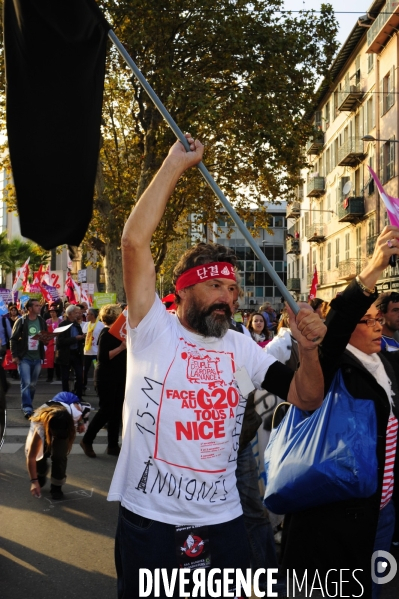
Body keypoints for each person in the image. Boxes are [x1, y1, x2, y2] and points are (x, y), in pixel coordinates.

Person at [108, 133, 326, 597]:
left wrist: (308, 350)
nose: (227, 298)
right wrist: (173, 165)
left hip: (222, 520)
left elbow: (307, 397)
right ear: (183, 290)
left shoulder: (240, 345)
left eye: (231, 289)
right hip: (152, 519)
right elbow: (132, 241)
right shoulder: (153, 329)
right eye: (214, 287)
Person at [281, 226, 399, 599]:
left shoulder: (389, 361)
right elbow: (333, 333)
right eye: (367, 320)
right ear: (348, 329)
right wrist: (374, 267)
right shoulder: (334, 366)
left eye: (379, 318)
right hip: (337, 516)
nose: (378, 324)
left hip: (382, 514)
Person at [80, 304, 126, 457]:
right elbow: (103, 357)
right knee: (106, 411)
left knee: (116, 412)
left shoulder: (119, 333)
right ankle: (87, 440)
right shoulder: (107, 333)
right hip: (106, 377)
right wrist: (121, 348)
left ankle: (113, 446)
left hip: (119, 376)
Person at [26, 391, 91, 500]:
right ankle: (41, 472)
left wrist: (80, 424)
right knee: (39, 454)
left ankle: (56, 486)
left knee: (60, 455)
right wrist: (34, 481)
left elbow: (82, 412)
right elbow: (31, 456)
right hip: (46, 422)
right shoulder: (39, 424)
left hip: (64, 417)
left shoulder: (74, 413)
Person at [10, 298, 48, 418]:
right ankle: (27, 407)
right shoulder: (21, 321)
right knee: (26, 383)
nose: (39, 307)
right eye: (36, 306)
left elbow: (45, 337)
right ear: (30, 308)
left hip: (37, 357)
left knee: (32, 384)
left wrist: (46, 339)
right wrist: (15, 356)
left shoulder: (42, 321)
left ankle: (28, 403)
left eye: (39, 305)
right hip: (24, 358)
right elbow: (13, 339)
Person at [55, 305, 85, 399]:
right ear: (70, 314)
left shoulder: (77, 324)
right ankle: (66, 396)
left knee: (80, 376)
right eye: (76, 312)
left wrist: (83, 338)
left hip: (76, 353)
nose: (78, 314)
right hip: (66, 354)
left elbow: (80, 338)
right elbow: (60, 341)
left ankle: (78, 395)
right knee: (65, 377)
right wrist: (75, 339)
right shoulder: (62, 325)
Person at [81, 307, 104, 391]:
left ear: (93, 315)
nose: (86, 316)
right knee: (84, 371)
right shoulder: (86, 325)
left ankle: (97, 387)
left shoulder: (101, 325)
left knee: (96, 370)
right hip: (87, 352)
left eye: (88, 314)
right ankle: (83, 387)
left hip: (95, 352)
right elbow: (84, 334)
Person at [45, 305, 62, 383]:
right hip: (50, 343)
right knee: (50, 360)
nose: (52, 314)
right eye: (51, 312)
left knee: (58, 360)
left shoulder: (60, 321)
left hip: (58, 342)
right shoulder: (47, 321)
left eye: (53, 312)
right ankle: (50, 376)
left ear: (56, 313)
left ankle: (59, 375)